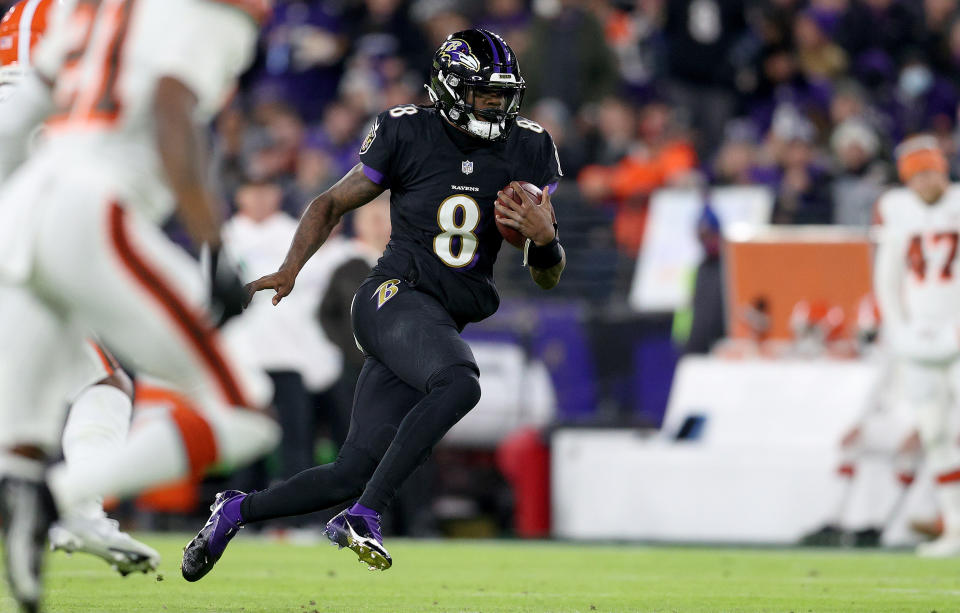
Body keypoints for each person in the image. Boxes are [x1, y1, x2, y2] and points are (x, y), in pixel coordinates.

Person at [181, 27, 564, 578]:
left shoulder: (529, 147)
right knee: (459, 382)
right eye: (484, 95)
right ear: (452, 89)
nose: (496, 107)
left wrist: (545, 239)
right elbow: (330, 202)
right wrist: (291, 268)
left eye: (503, 95)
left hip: (438, 318)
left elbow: (548, 276)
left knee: (349, 469)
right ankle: (365, 516)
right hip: (392, 296)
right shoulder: (407, 131)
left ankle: (234, 511)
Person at [0, 0, 281, 609]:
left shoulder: (91, 10)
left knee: (40, 423)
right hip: (91, 211)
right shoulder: (210, 16)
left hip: (18, 211)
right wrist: (213, 242)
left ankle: (36, 495)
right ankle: (60, 497)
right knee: (246, 413)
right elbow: (172, 106)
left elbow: (17, 117)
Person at [0, 0, 159, 576]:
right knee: (102, 376)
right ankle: (82, 508)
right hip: (30, 208)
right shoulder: (81, 18)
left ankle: (81, 508)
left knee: (86, 374)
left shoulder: (19, 20)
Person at [874, 135, 960, 557]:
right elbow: (886, 280)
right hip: (921, 337)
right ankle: (955, 527)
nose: (924, 181)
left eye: (929, 171)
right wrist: (899, 329)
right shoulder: (898, 212)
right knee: (934, 433)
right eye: (916, 175)